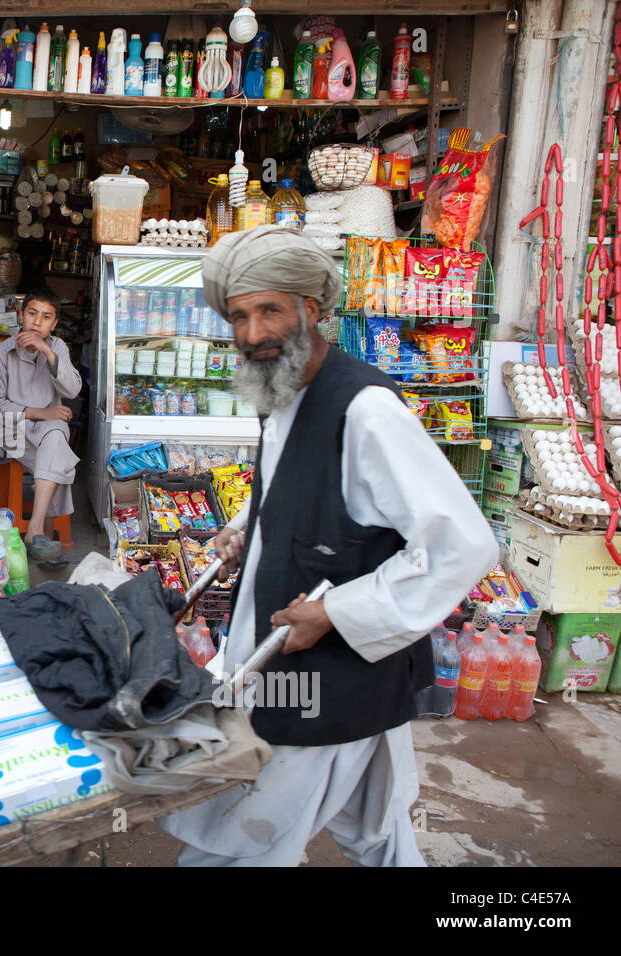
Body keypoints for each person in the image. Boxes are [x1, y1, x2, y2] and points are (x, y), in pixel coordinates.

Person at [160, 226, 498, 866]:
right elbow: (310, 498)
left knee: (237, 841)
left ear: (312, 310)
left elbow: (460, 544)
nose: (254, 332)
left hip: (321, 679)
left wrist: (338, 613)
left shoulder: (366, 409)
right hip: (311, 670)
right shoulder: (282, 391)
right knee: (377, 830)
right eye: (239, 315)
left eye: (270, 310)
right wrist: (247, 528)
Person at [0, 289, 82, 568]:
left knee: (55, 436)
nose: (37, 322)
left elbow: (73, 390)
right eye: (32, 313)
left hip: (46, 434)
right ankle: (46, 536)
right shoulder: (1, 352)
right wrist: (43, 412)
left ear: (53, 324)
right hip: (11, 432)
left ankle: (35, 532)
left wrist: (47, 352)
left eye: (46, 317)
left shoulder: (58, 347)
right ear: (21, 316)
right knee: (58, 451)